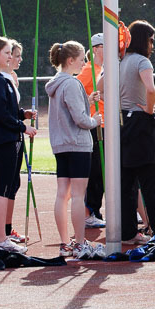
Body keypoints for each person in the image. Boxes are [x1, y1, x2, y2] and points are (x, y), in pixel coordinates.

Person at [106, 20, 155, 244]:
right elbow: (151, 89)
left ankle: (128, 233)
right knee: (151, 181)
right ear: (144, 40)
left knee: (127, 183)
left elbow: (102, 87)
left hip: (122, 122)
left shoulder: (120, 61)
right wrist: (147, 107)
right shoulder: (142, 61)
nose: (152, 45)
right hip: (141, 122)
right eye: (151, 40)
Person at [46, 41, 102, 258]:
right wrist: (94, 120)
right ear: (70, 60)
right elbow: (80, 119)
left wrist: (86, 101)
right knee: (78, 195)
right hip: (77, 145)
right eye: (81, 60)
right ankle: (79, 243)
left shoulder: (56, 83)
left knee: (63, 194)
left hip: (61, 145)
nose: (84, 63)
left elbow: (69, 111)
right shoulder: (71, 83)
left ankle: (65, 242)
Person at [0, 37, 37, 253]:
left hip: (6, 138)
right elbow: (0, 114)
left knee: (5, 188)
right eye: (6, 53)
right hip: (3, 140)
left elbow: (5, 110)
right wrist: (22, 127)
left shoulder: (0, 79)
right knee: (2, 189)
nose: (10, 56)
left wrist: (22, 114)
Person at [79, 32, 106, 228]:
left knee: (104, 171)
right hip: (95, 125)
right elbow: (74, 89)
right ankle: (90, 211)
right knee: (96, 170)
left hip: (105, 124)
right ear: (95, 49)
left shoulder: (104, 68)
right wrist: (89, 100)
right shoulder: (89, 69)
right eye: (105, 45)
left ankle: (95, 210)